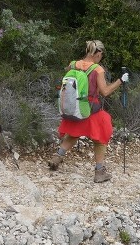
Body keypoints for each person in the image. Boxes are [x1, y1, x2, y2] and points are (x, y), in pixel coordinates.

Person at [47, 40, 129, 183]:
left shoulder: (73, 65)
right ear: (98, 53)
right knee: (100, 139)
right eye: (101, 55)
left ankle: (56, 158)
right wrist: (120, 81)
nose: (101, 58)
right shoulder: (97, 69)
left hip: (74, 106)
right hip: (91, 108)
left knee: (73, 133)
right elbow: (105, 92)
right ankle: (99, 172)